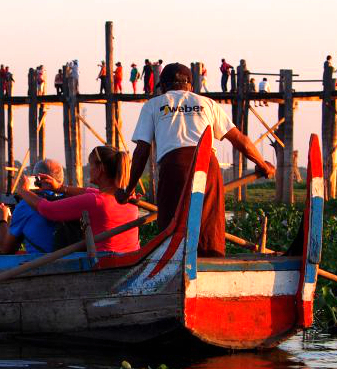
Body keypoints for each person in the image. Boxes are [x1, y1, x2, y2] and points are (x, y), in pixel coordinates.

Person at [116, 63, 274, 257]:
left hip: (174, 168)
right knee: (209, 225)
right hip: (208, 167)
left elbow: (141, 152)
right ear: (190, 86)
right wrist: (262, 164)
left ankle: (173, 265)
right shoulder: (207, 103)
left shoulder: (154, 104)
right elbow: (241, 140)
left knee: (171, 227)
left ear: (163, 87)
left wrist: (130, 189)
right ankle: (211, 260)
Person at [15, 147, 139, 254]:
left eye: (91, 165)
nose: (89, 170)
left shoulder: (95, 201)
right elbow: (90, 192)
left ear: (100, 169)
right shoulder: (129, 199)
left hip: (104, 263)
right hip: (130, 256)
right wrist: (59, 187)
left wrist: (24, 191)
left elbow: (48, 210)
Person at [0, 158, 65, 254]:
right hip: (69, 258)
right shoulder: (69, 200)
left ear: (36, 179)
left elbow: (6, 250)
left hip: (40, 264)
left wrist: (2, 220)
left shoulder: (25, 206)